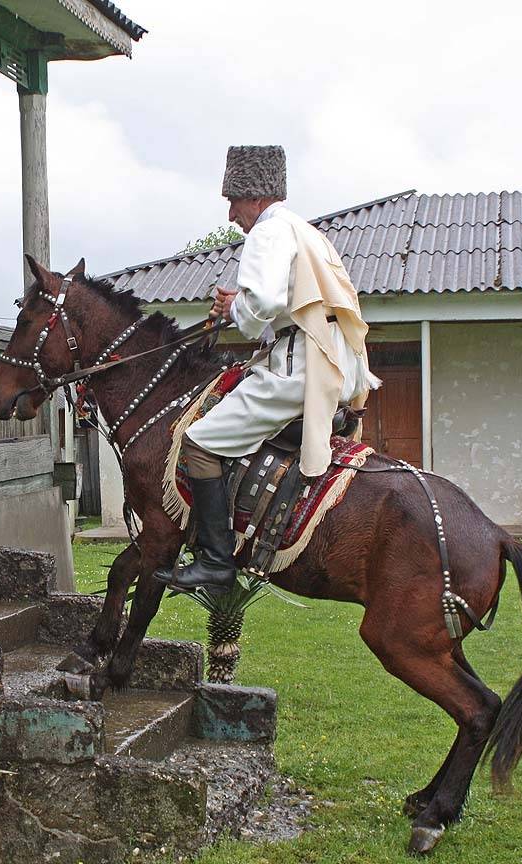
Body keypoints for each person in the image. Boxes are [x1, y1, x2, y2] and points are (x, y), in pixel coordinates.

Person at [155, 145, 380, 593]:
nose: (232, 214)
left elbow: (263, 304)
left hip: (298, 369)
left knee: (199, 443)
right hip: (329, 363)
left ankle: (216, 564)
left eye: (233, 202)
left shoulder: (268, 231)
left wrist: (233, 304)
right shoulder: (304, 230)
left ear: (255, 197)